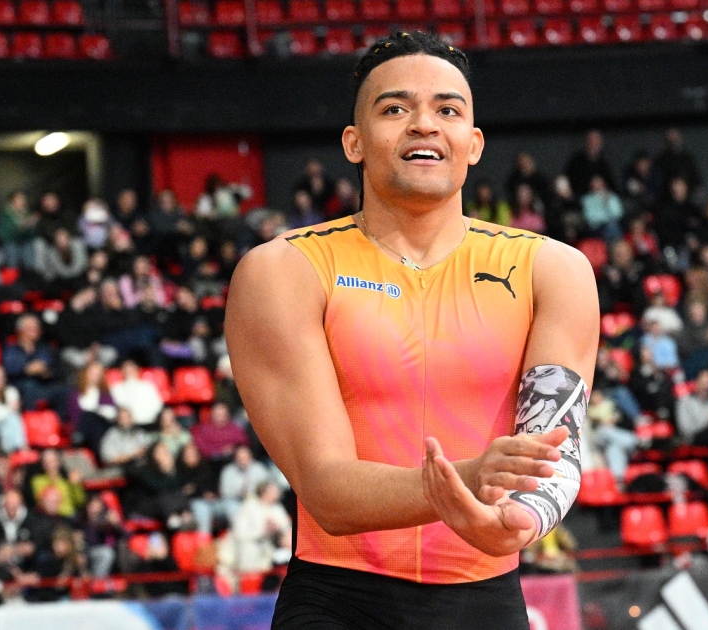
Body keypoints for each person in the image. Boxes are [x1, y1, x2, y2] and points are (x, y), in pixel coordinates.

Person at [226, 32, 597, 629]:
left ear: (473, 143)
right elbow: (327, 492)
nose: (424, 123)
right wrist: (468, 481)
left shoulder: (554, 270)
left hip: (488, 601)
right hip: (338, 603)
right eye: (395, 108)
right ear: (354, 142)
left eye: (447, 110)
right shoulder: (283, 270)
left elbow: (554, 450)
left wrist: (517, 521)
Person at [2, 315, 68, 413]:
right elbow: (9, 370)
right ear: (20, 330)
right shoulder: (11, 349)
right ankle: (30, 418)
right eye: (31, 328)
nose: (35, 330)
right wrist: (27, 369)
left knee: (64, 389)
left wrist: (45, 372)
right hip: (21, 384)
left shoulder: (44, 349)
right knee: (29, 386)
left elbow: (54, 368)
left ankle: (60, 420)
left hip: (43, 383)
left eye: (37, 328)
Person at [231, 481, 293, 574]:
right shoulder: (248, 507)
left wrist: (277, 528)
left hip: (276, 545)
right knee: (250, 549)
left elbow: (286, 528)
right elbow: (240, 532)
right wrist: (263, 531)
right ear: (264, 492)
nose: (277, 493)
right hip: (253, 544)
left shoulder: (277, 508)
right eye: (274, 491)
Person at [109, 360, 163, 427]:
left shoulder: (148, 387)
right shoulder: (114, 388)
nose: (128, 372)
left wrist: (140, 417)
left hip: (145, 424)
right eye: (125, 370)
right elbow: (106, 408)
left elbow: (157, 406)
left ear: (137, 370)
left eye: (131, 369)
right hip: (120, 426)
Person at [0, 190, 39, 270]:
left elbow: (32, 235)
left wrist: (31, 226)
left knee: (30, 248)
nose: (22, 202)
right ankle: (12, 272)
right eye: (19, 199)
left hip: (25, 242)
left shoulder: (27, 213)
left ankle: (30, 272)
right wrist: (20, 227)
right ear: (11, 202)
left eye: (23, 199)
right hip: (10, 243)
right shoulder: (5, 215)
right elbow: (2, 235)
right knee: (11, 250)